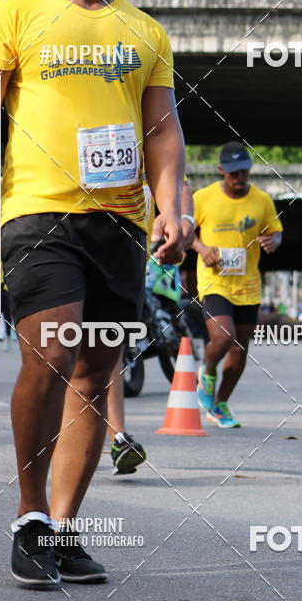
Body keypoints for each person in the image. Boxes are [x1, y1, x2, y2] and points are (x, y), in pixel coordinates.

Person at [0, 0, 185, 587]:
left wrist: (172, 205)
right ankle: (28, 515)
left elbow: (163, 131)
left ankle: (66, 527)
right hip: (37, 214)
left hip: (120, 224)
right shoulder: (13, 14)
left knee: (96, 370)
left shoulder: (144, 32)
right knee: (49, 350)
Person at [106, 179, 195, 475]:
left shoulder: (145, 150)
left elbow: (180, 184)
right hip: (64, 244)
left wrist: (184, 219)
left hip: (131, 263)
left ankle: (118, 438)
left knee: (110, 346)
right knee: (64, 353)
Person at [193, 142, 282, 428]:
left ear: (249, 169)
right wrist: (201, 247)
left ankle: (220, 404)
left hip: (248, 285)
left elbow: (276, 232)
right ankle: (206, 373)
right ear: (221, 170)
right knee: (223, 337)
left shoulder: (262, 200)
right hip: (214, 281)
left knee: (240, 348)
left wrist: (272, 241)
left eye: (243, 171)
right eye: (232, 172)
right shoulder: (203, 198)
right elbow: (183, 230)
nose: (238, 177)